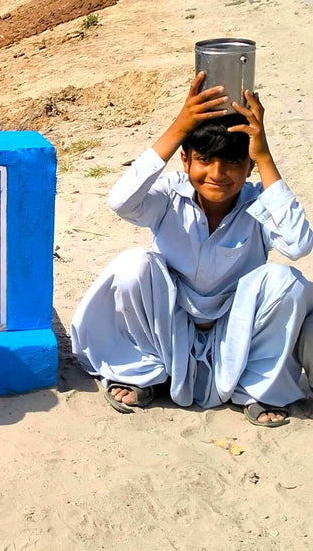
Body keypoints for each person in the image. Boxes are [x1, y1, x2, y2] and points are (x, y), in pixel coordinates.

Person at [71, 74, 313, 426]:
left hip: (236, 329)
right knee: (134, 264)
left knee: (286, 281)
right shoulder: (170, 193)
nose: (218, 173)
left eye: (233, 163)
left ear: (248, 167)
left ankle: (258, 391)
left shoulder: (259, 202)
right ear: (185, 161)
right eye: (205, 160)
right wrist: (180, 126)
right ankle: (144, 374)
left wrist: (263, 156)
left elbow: (298, 243)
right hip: (168, 324)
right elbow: (121, 202)